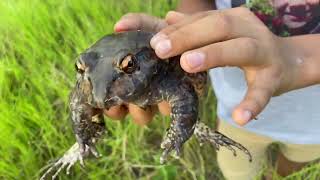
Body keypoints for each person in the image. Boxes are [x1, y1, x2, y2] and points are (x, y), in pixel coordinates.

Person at [106, 0, 320, 179]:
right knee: (237, 168)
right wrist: (187, 30)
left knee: (293, 165)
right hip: (234, 110)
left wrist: (296, 56)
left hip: (312, 123)